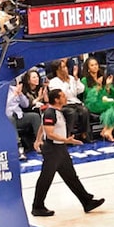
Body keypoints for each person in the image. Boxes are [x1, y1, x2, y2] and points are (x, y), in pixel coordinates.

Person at [28, 84, 103, 218]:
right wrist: (66, 140)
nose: (65, 97)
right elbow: (50, 133)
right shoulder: (50, 112)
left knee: (71, 177)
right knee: (46, 178)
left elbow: (43, 126)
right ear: (56, 99)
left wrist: (38, 139)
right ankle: (37, 206)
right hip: (52, 149)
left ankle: (86, 201)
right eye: (62, 96)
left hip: (60, 149)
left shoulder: (56, 112)